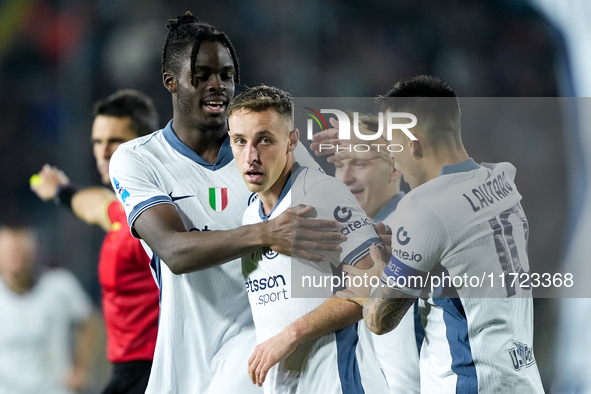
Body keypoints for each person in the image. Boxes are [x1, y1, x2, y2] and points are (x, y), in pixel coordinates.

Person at [108, 13, 347, 394]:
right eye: (201, 76)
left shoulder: (272, 150)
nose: (217, 86)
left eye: (226, 75)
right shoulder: (139, 158)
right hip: (185, 360)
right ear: (171, 81)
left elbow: (331, 226)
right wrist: (266, 234)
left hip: (261, 357)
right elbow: (174, 250)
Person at [338, 75, 545, 393]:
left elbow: (379, 319)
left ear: (412, 143)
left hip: (469, 383)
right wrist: (417, 252)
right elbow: (462, 251)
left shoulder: (423, 205)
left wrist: (378, 273)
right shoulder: (503, 179)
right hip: (522, 381)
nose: (393, 158)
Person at [227, 85, 389, 393]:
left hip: (340, 383)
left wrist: (291, 335)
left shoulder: (319, 193)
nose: (251, 156)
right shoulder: (249, 215)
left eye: (264, 140)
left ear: (291, 141)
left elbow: (372, 287)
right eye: (240, 141)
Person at [30, 89, 160, 394]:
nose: (103, 152)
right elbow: (99, 206)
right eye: (97, 142)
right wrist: (62, 192)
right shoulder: (126, 210)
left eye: (114, 141)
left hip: (150, 373)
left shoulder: (151, 221)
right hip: (131, 372)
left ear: (142, 145)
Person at [333, 114, 422, 394]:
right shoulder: (347, 238)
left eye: (359, 163)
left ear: (394, 167)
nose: (345, 177)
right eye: (339, 164)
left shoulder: (416, 223)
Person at [0, 222, 97, 394]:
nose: (16, 257)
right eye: (9, 251)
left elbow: (89, 321)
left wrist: (80, 368)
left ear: (34, 250)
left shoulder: (60, 285)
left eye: (21, 249)